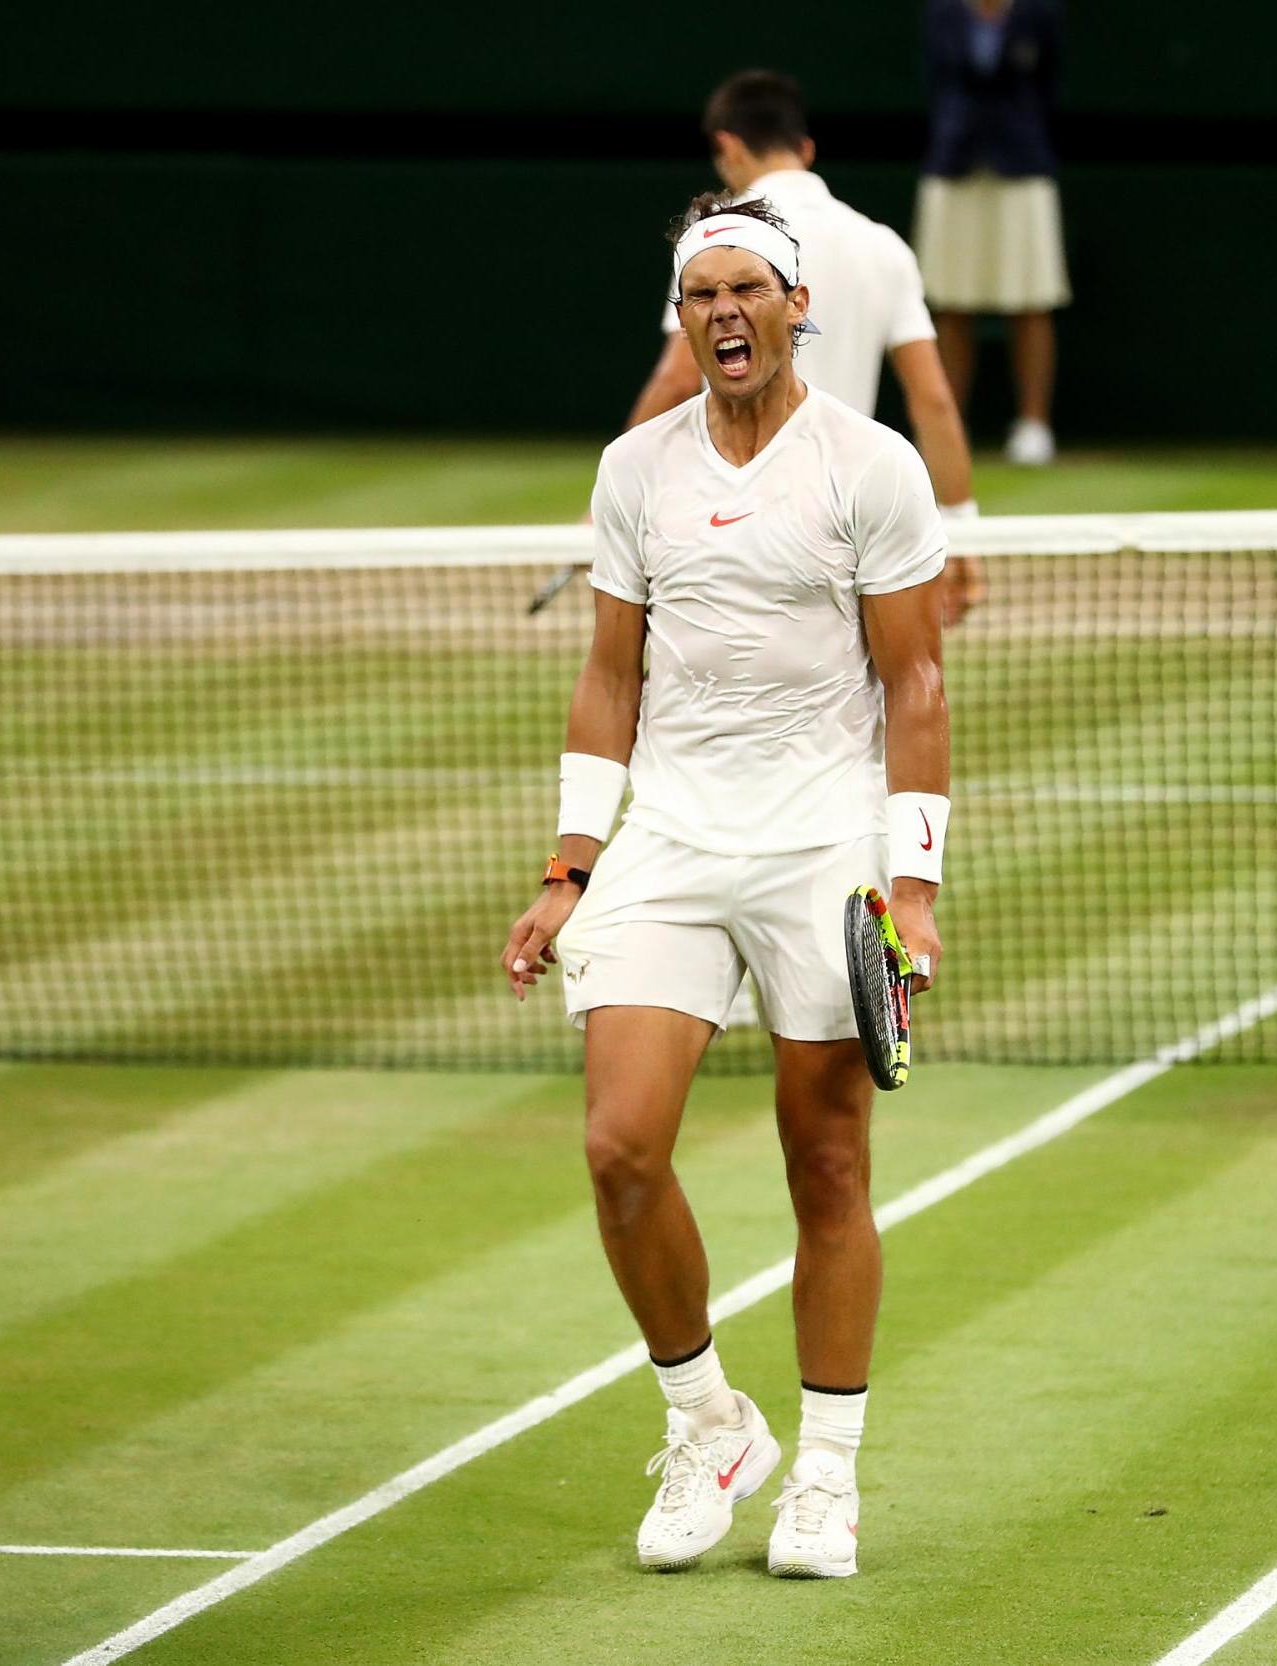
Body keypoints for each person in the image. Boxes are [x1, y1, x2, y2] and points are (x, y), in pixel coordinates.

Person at [500, 195, 953, 1580]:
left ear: (796, 305)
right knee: (619, 1148)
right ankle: (708, 1422)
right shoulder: (634, 469)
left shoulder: (870, 467)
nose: (725, 315)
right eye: (702, 297)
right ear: (683, 316)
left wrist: (914, 884)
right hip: (673, 840)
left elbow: (914, 679)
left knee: (825, 1162)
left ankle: (825, 1474)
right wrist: (572, 862)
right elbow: (609, 676)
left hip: (823, 843)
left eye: (749, 290)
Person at [626, 69, 985, 625]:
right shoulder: (883, 246)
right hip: (845, 516)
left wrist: (609, 507)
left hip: (722, 512)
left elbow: (676, 380)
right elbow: (933, 400)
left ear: (727, 146)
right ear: (807, 149)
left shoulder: (709, 249)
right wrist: (962, 528)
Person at [915, 0, 1071, 466]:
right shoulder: (941, 12)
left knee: (1031, 299)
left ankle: (1033, 426)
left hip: (1022, 165)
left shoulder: (1042, 12)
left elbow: (1049, 87)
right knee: (950, 302)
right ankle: (948, 424)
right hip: (953, 165)